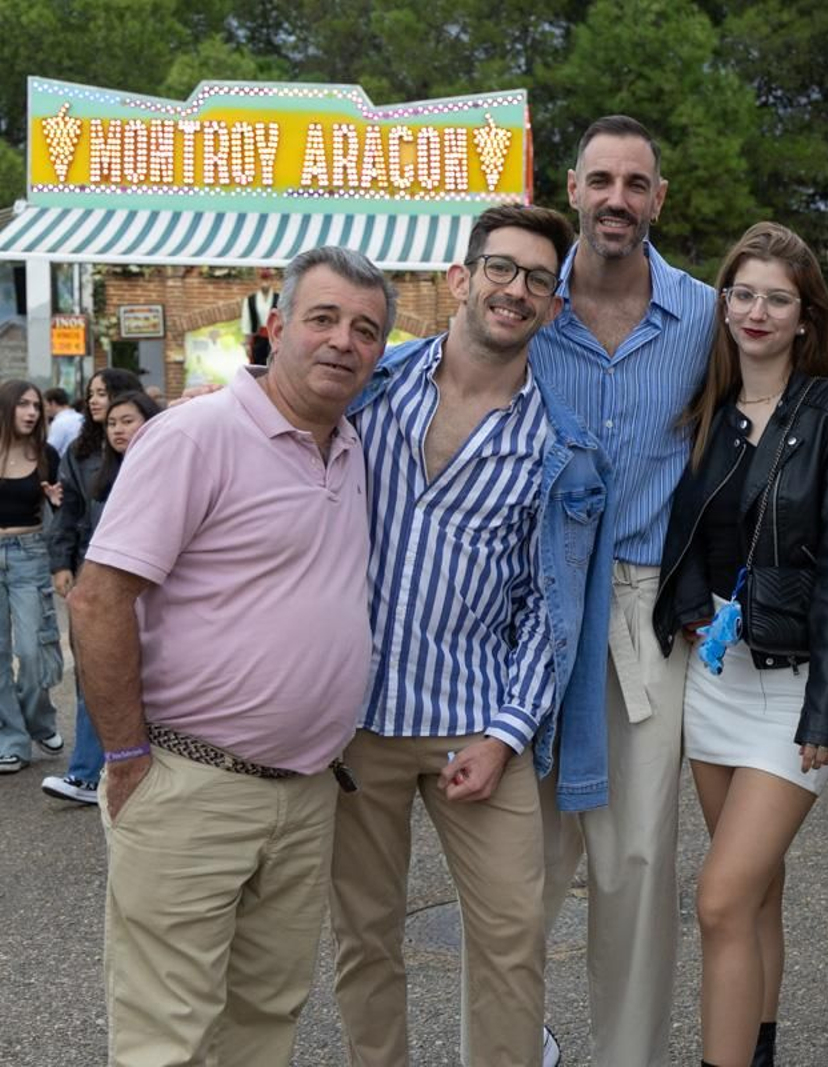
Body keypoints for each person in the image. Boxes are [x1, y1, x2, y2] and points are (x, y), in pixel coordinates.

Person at [67, 245, 391, 1065]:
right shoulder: (195, 435)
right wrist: (130, 754)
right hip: (188, 785)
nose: (343, 342)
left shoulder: (350, 450)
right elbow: (100, 600)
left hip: (305, 793)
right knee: (164, 1039)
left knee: (263, 1024)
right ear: (276, 327)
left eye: (365, 330)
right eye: (322, 319)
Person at [329, 205, 612, 1067]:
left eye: (536, 279)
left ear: (553, 309)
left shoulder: (560, 447)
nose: (515, 288)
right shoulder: (368, 391)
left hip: (477, 726)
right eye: (500, 268)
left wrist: (505, 733)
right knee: (364, 939)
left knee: (511, 942)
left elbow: (547, 612)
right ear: (460, 278)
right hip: (354, 722)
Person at [652, 222, 828, 1067]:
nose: (755, 310)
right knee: (754, 896)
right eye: (742, 293)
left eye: (776, 298)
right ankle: (759, 1049)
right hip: (715, 677)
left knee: (718, 898)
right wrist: (683, 607)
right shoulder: (706, 408)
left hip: (793, 685)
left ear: (804, 315)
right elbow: (681, 532)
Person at [529, 114, 718, 1066]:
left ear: (659, 198)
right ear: (572, 188)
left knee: (635, 863)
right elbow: (427, 377)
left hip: (644, 611)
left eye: (635, 183)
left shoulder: (706, 316)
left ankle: (625, 1058)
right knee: (516, 860)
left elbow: (786, 404)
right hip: (526, 609)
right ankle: (512, 1044)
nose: (616, 199)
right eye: (600, 180)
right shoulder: (526, 304)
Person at [42, 373, 154, 804]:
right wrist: (62, 564)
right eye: (92, 396)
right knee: (98, 670)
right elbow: (69, 512)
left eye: (105, 395)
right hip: (98, 573)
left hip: (153, 581)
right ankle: (86, 773)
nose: (98, 405)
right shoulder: (86, 456)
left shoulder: (168, 455)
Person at [0, 380, 63, 775]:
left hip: (30, 556)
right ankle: (12, 739)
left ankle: (35, 722)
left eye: (36, 406)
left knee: (33, 651)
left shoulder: (46, 455)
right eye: (23, 405)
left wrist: (58, 501)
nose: (31, 412)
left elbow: (66, 506)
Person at [44, 386, 83, 454]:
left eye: (45, 406)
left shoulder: (59, 423)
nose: (45, 409)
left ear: (53, 403)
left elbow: (50, 450)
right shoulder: (81, 417)